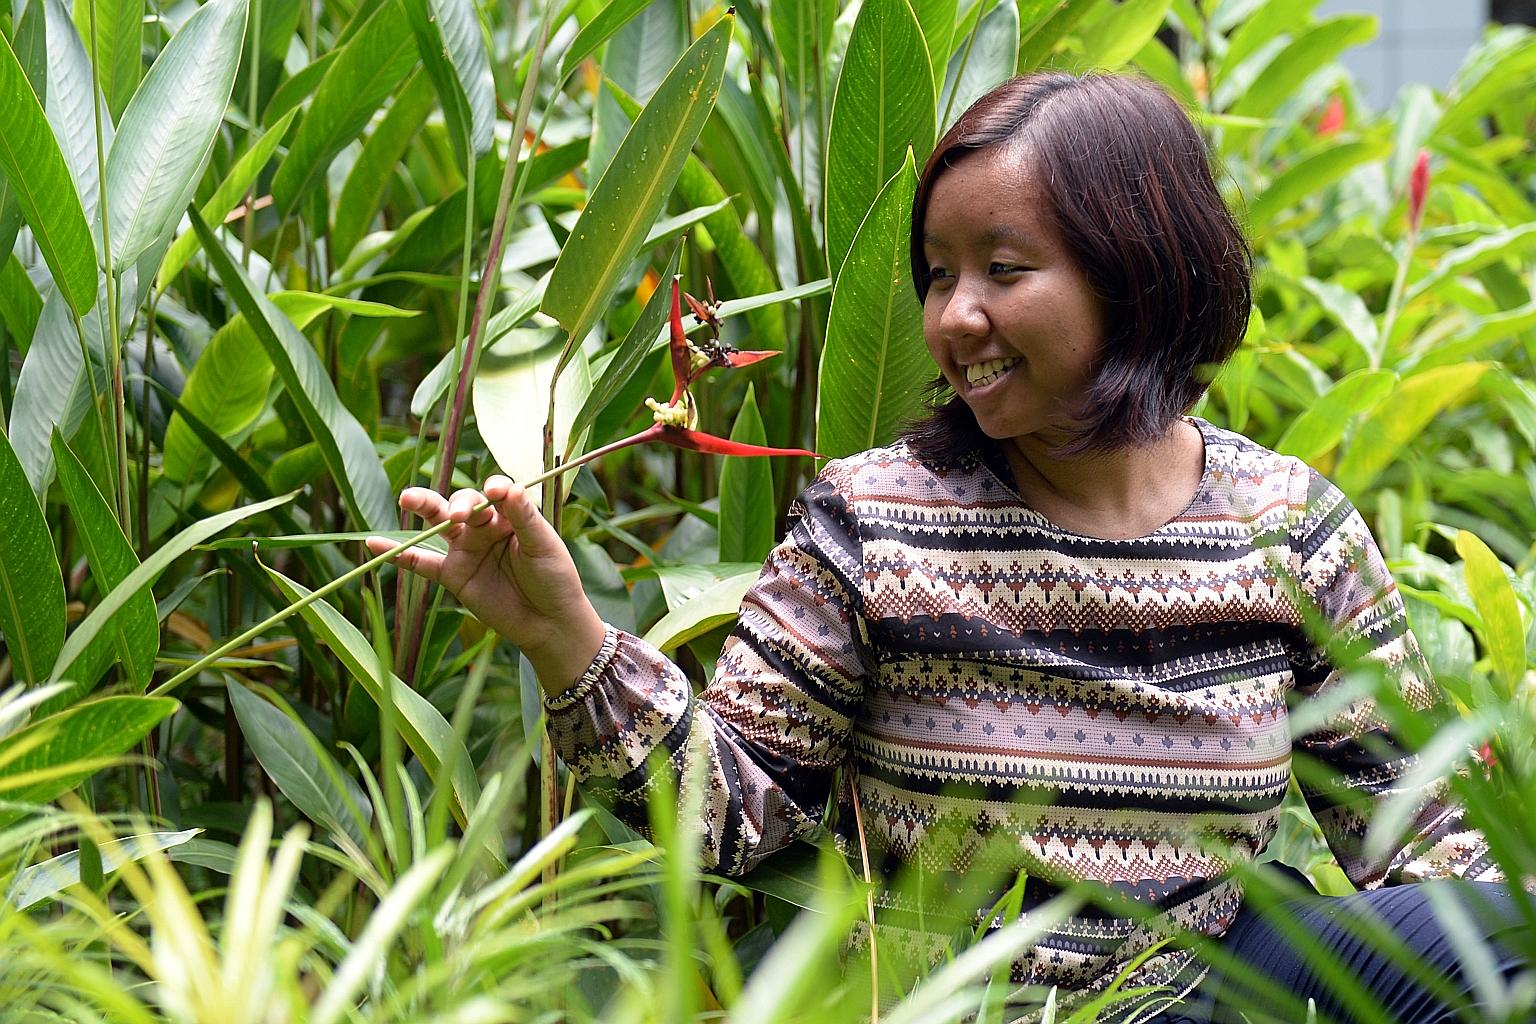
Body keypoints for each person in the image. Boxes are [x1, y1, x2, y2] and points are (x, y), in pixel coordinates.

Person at [367, 73, 1522, 1024]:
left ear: (1137, 270)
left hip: (1213, 984)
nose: (952, 315)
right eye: (937, 274)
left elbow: (1425, 834)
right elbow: (740, 810)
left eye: (1003, 271)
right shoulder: (875, 519)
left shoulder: (1288, 525)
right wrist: (563, 637)